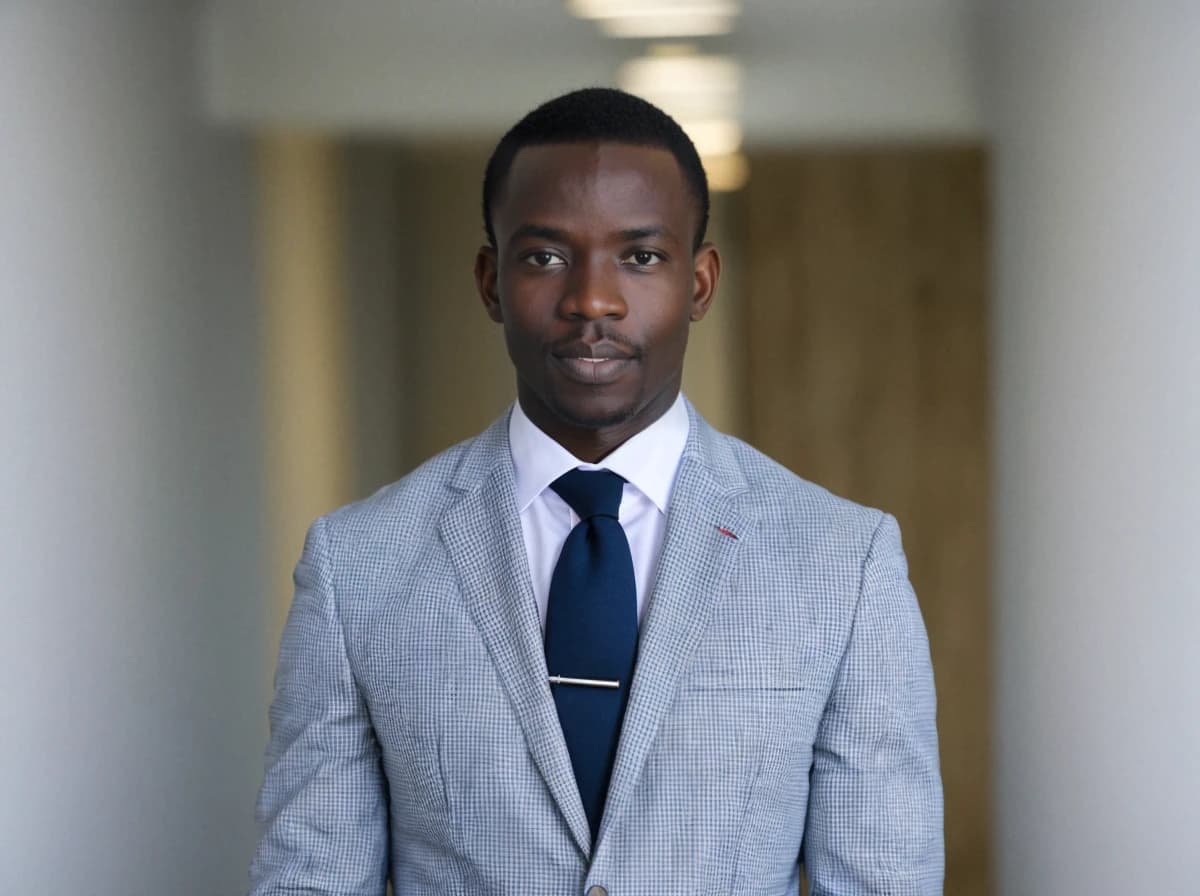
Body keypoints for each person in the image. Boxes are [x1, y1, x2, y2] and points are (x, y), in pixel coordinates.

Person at [249, 87, 943, 896]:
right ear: (489, 281)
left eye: (641, 256)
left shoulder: (842, 563)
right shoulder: (357, 566)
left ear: (701, 282)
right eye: (545, 256)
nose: (592, 301)